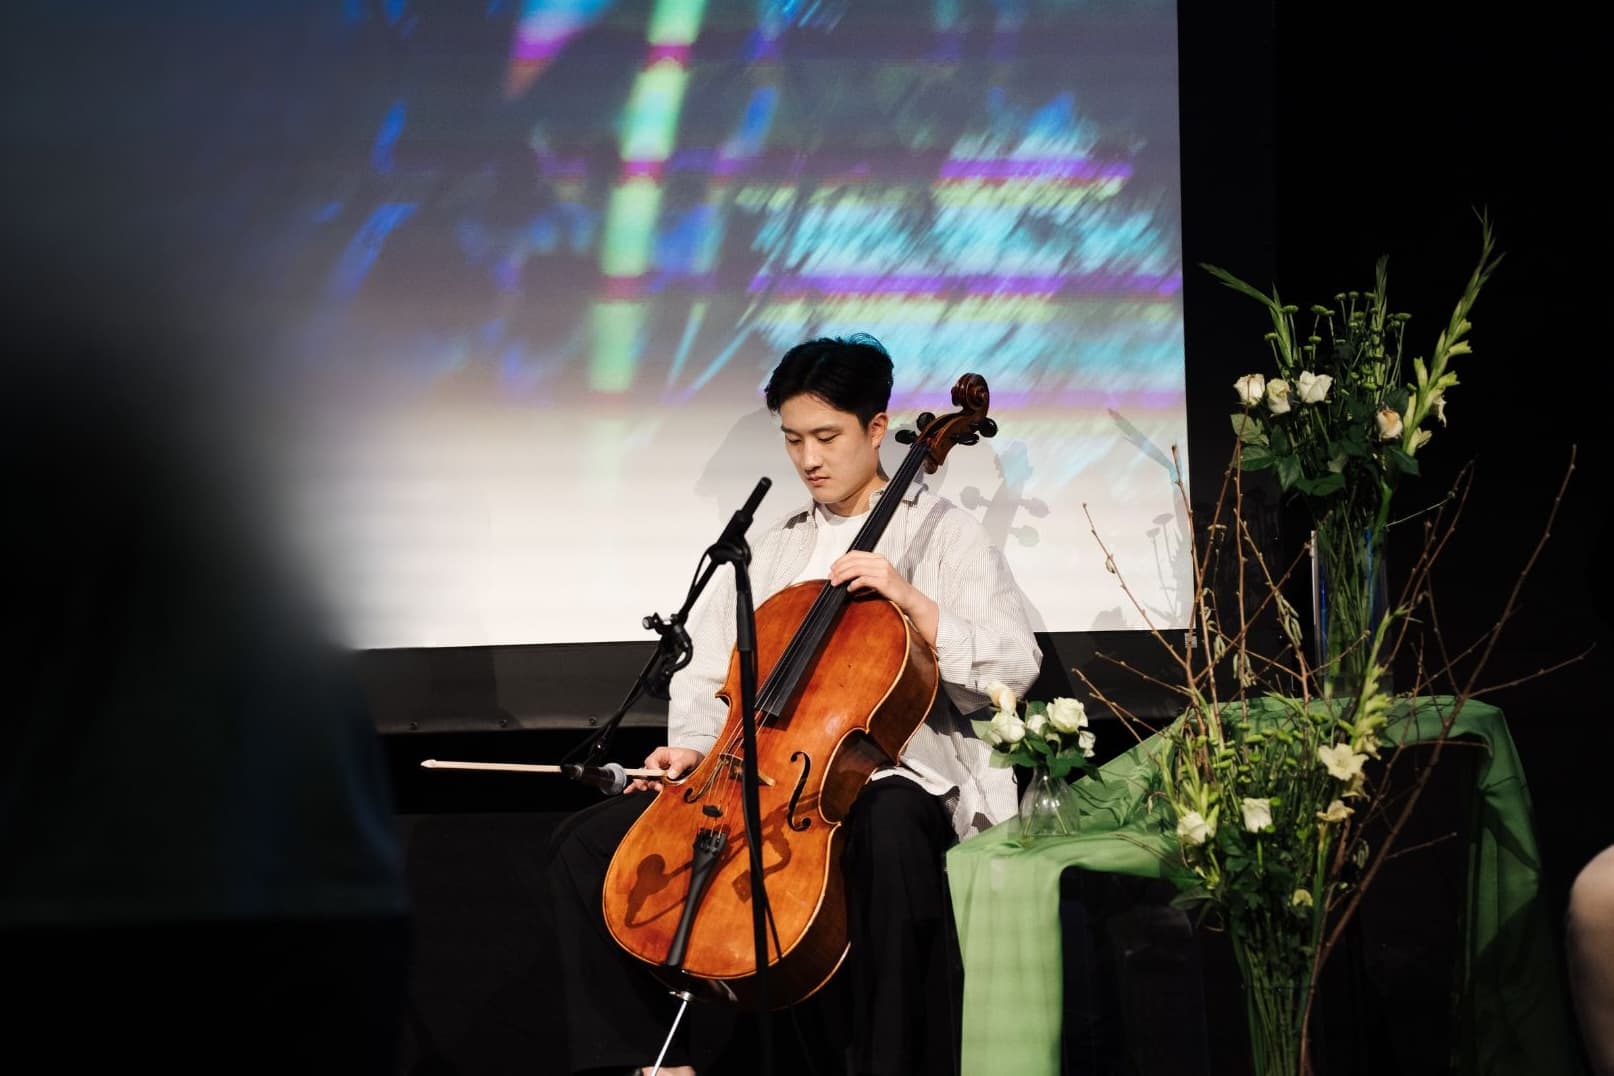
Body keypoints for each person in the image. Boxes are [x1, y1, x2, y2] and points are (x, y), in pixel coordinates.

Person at [547, 333, 1042, 1076]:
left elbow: (1013, 667)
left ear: (877, 430)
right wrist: (691, 749)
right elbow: (711, 675)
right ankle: (652, 1062)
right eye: (792, 440)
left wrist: (909, 598)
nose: (808, 459)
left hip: (887, 776)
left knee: (894, 831)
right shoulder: (772, 552)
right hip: (757, 779)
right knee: (584, 845)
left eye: (826, 437)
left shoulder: (943, 534)